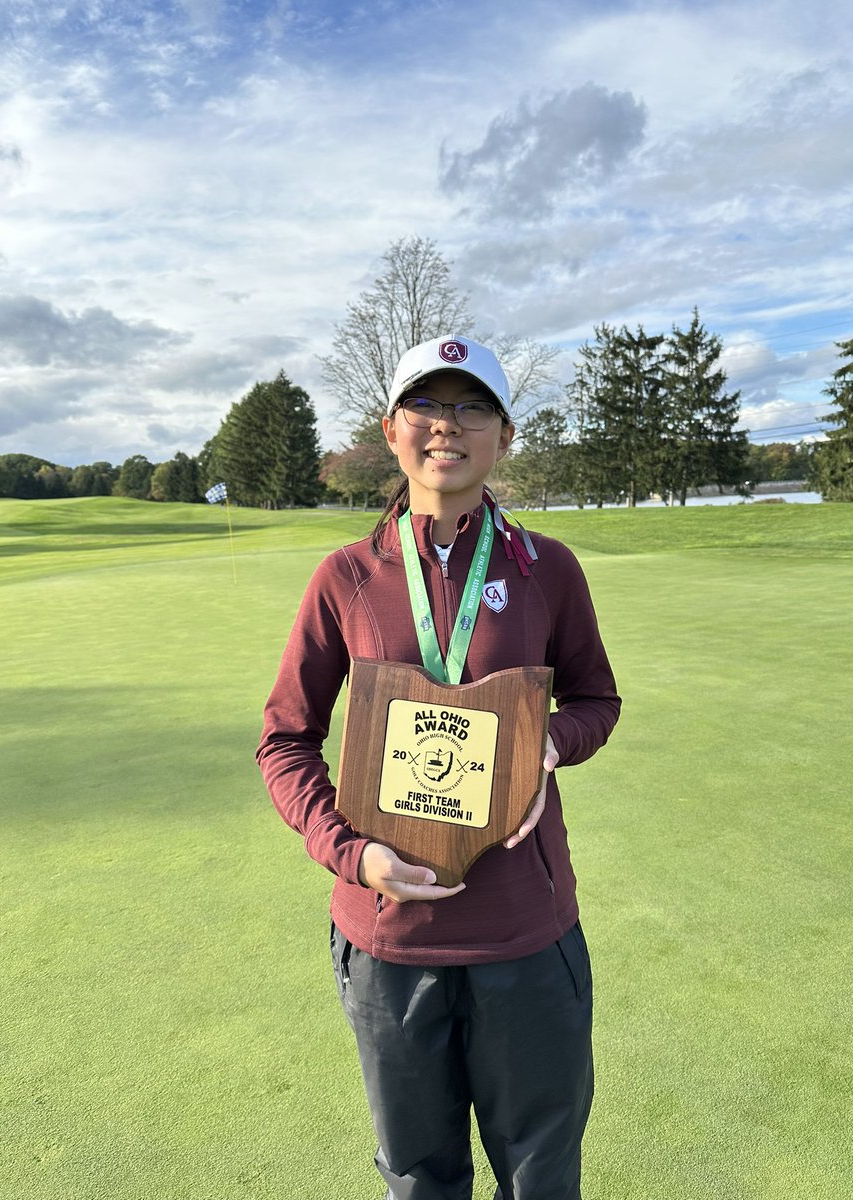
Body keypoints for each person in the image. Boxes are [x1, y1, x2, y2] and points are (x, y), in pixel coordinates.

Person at [257, 335, 621, 1200]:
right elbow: (285, 740)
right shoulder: (345, 576)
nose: (445, 426)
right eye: (425, 405)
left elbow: (597, 702)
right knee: (420, 1180)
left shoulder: (547, 570)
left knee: (542, 1176)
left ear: (503, 435)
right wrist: (353, 854)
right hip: (389, 941)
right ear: (392, 430)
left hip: (527, 938)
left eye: (471, 408)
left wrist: (551, 743)